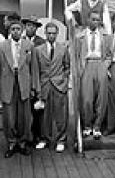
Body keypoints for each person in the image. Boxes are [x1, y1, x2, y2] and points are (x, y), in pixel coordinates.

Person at [0, 20, 40, 158]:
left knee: (24, 116)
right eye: (13, 29)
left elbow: (34, 68)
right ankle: (11, 142)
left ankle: (22, 142)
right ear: (10, 31)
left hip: (24, 84)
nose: (16, 31)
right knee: (9, 117)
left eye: (18, 29)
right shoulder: (3, 46)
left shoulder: (29, 45)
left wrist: (35, 87)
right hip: (8, 84)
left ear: (22, 30)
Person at [76, 11, 112, 139]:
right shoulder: (80, 36)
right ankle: (87, 126)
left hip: (100, 64)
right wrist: (80, 69)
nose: (95, 22)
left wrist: (105, 66)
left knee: (101, 98)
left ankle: (97, 126)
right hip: (86, 65)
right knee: (86, 98)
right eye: (93, 19)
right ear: (88, 20)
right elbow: (75, 54)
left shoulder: (105, 36)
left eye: (97, 20)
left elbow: (109, 54)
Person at [35, 22, 70, 153]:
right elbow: (36, 70)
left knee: (61, 114)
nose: (51, 35)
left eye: (53, 33)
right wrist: (37, 87)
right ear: (45, 34)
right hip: (44, 85)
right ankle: (44, 139)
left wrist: (64, 81)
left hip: (59, 85)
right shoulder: (38, 50)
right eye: (49, 33)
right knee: (44, 115)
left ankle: (61, 139)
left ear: (57, 34)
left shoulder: (63, 49)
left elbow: (67, 66)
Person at [21, 15, 45, 145]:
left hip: (37, 80)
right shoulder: (21, 40)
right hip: (23, 80)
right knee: (24, 112)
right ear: (25, 27)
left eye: (34, 26)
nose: (31, 28)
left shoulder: (41, 42)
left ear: (37, 28)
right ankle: (24, 136)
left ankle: (37, 135)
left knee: (37, 111)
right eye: (29, 25)